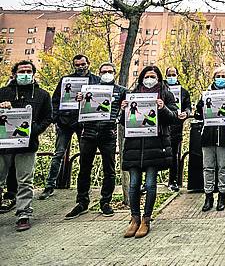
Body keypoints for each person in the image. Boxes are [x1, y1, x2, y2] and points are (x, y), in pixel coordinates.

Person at [120, 66, 178, 238]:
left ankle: (146, 219)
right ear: (141, 78)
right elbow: (123, 122)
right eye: (147, 76)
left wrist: (163, 108)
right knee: (133, 184)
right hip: (134, 146)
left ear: (159, 78)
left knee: (151, 184)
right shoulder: (132, 93)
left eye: (153, 76)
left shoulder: (166, 94)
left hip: (155, 145)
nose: (149, 79)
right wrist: (123, 109)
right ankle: (134, 219)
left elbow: (174, 117)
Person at [64, 62, 125, 220]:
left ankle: (105, 202)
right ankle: (82, 202)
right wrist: (79, 100)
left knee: (109, 170)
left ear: (114, 73)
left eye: (109, 71)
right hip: (88, 133)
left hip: (108, 134)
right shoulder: (88, 89)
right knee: (84, 168)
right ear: (99, 73)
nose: (106, 74)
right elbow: (75, 108)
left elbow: (128, 113)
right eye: (103, 71)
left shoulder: (122, 91)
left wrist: (124, 108)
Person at [0, 60, 53, 231]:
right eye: (22, 71)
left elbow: (48, 117)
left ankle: (23, 213)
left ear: (33, 74)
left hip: (27, 145)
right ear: (14, 74)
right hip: (3, 145)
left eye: (29, 71)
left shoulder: (42, 95)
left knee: (25, 180)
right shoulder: (3, 92)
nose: (25, 74)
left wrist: (35, 130)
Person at [39, 54, 99, 200]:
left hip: (84, 122)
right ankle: (49, 186)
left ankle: (84, 187)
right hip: (64, 122)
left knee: (85, 156)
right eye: (77, 65)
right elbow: (55, 100)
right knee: (58, 154)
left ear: (88, 63)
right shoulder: (66, 80)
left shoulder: (96, 80)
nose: (80, 67)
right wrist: (56, 117)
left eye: (82, 64)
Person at [194, 66, 225, 212]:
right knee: (208, 167)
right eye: (218, 76)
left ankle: (222, 196)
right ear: (213, 78)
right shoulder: (206, 94)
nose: (220, 79)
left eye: (223, 76)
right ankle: (208, 197)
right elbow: (198, 115)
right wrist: (201, 106)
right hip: (208, 135)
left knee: (223, 167)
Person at [164, 67, 192, 192]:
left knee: (175, 155)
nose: (171, 77)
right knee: (155, 154)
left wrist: (186, 113)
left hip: (176, 127)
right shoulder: (160, 90)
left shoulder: (184, 92)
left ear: (177, 75)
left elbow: (188, 108)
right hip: (161, 126)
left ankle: (173, 181)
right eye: (169, 74)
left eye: (173, 74)